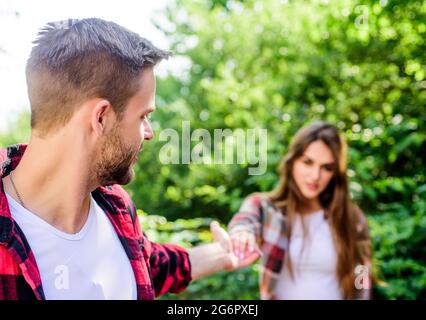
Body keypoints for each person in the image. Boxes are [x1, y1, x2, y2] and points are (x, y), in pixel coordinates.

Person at [0, 18, 239, 300]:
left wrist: (226, 252)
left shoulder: (115, 207)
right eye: (144, 116)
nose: (149, 133)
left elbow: (153, 265)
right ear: (100, 117)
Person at [228, 122, 372, 300]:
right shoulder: (265, 208)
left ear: (335, 173)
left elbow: (362, 274)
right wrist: (242, 235)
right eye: (307, 162)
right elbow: (245, 222)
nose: (315, 176)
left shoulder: (351, 218)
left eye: (327, 167)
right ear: (292, 162)